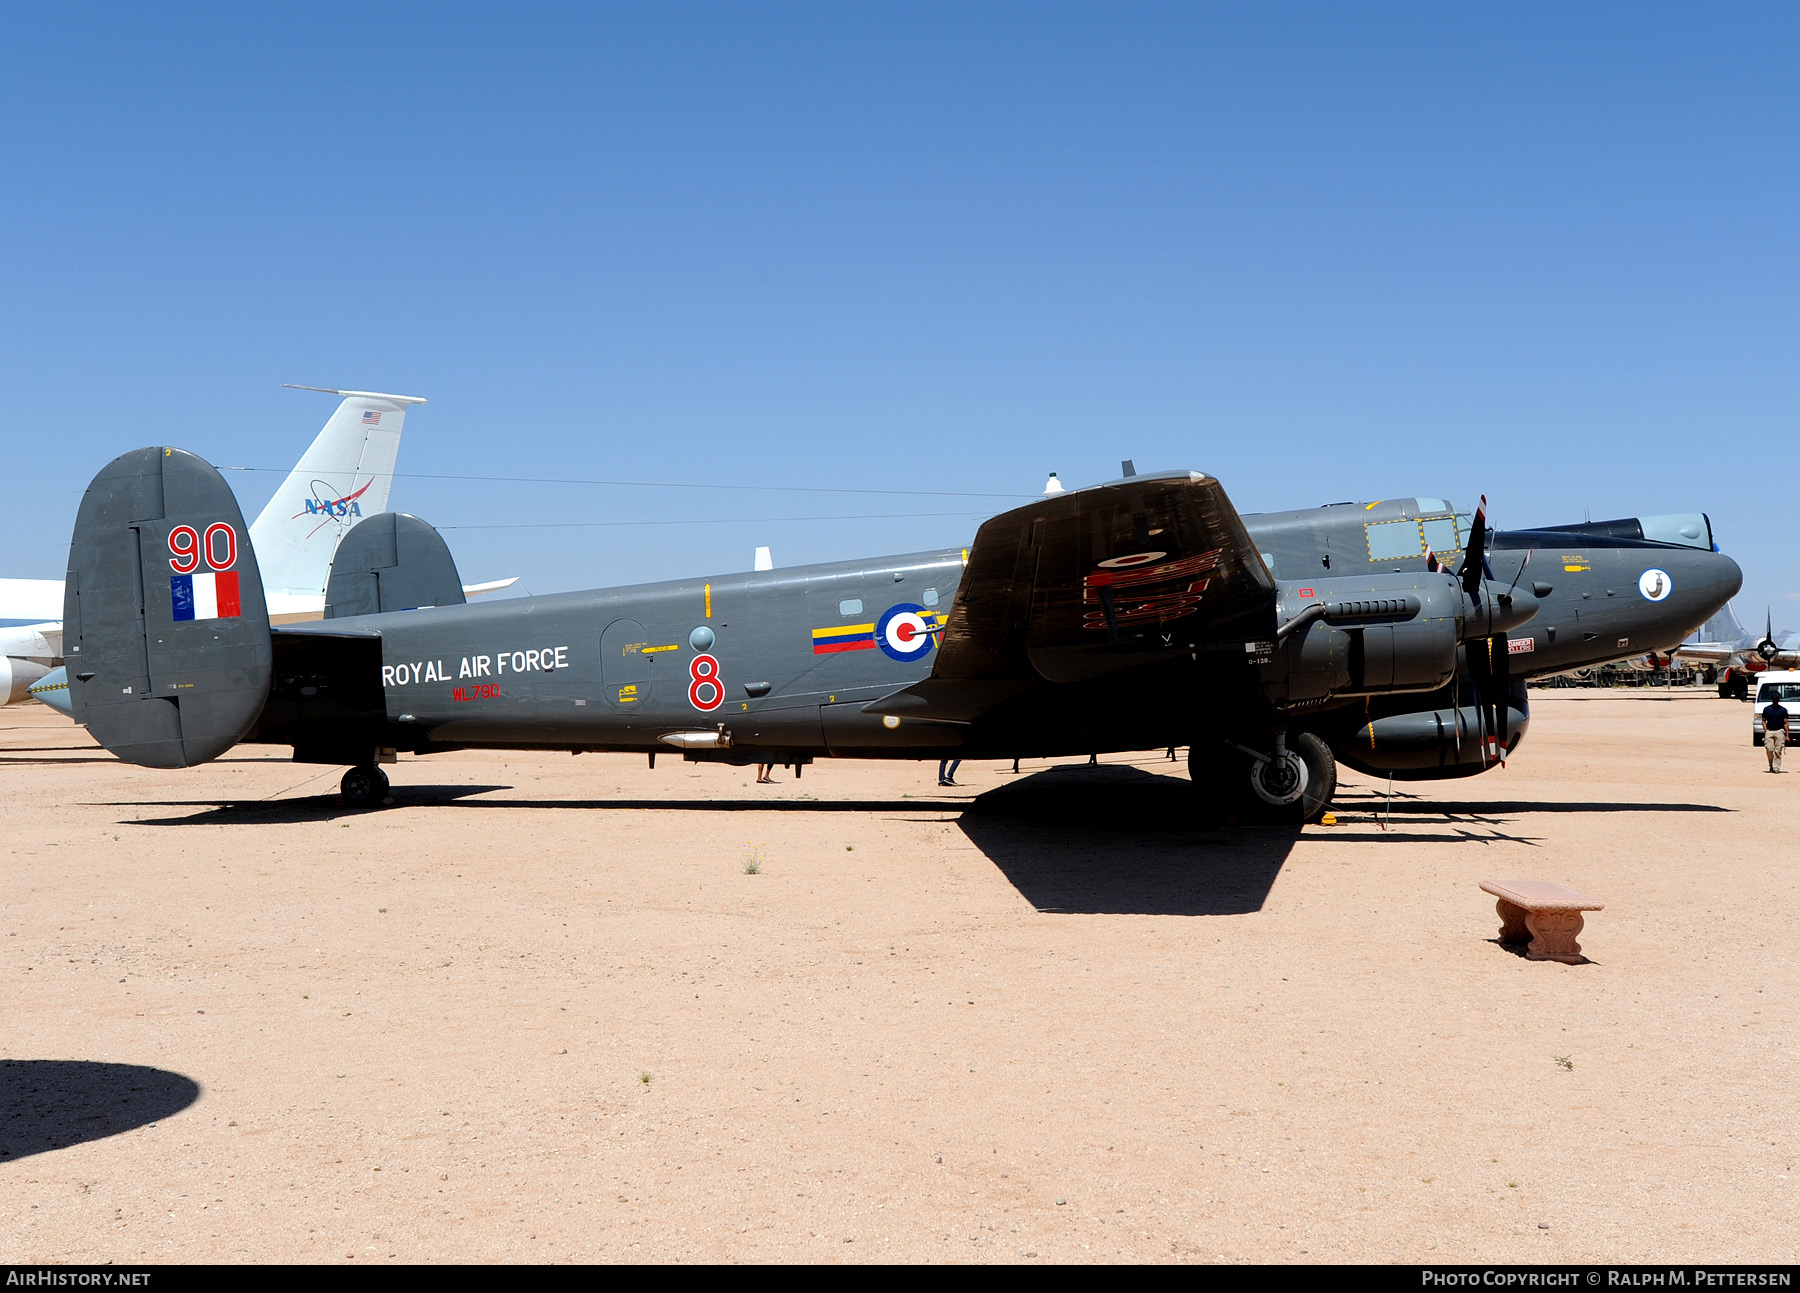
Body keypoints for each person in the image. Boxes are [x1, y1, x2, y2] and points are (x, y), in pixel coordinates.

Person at [1762, 693, 1789, 773]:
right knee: (1769, 749)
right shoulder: (1767, 709)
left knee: (1778, 749)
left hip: (1779, 731)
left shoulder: (1783, 710)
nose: (1775, 701)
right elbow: (1763, 720)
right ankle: (1771, 765)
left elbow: (1786, 722)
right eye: (1774, 700)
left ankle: (1776, 766)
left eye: (1777, 700)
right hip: (1769, 731)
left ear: (1778, 700)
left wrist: (1787, 735)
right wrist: (1765, 730)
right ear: (1772, 700)